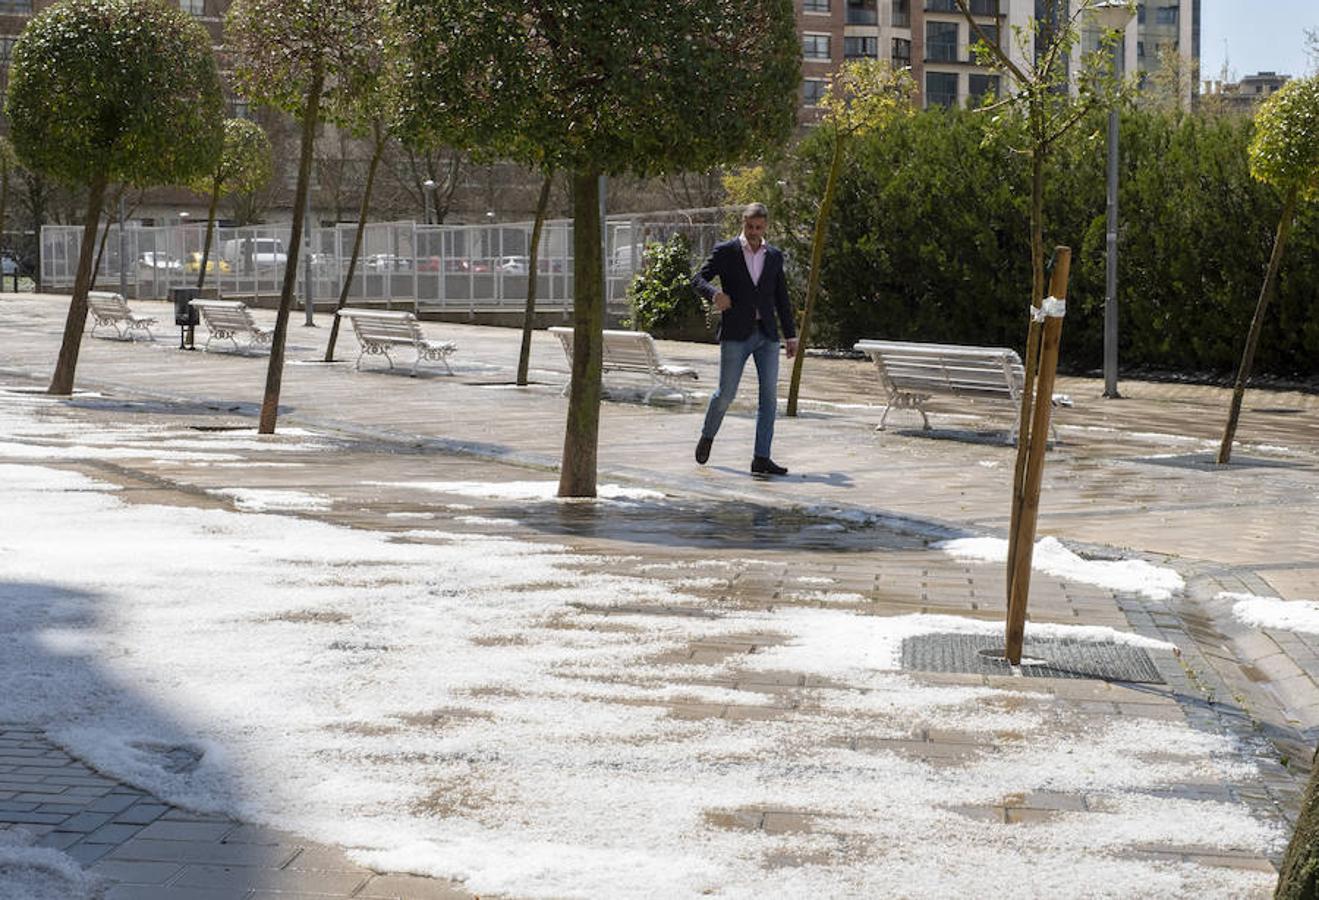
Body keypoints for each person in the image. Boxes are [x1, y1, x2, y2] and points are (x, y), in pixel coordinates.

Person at [691, 203, 798, 476]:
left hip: (767, 336)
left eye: (758, 228)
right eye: (749, 227)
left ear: (765, 227)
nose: (753, 232)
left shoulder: (773, 255)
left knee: (769, 399)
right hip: (736, 334)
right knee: (726, 394)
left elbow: (781, 298)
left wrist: (790, 335)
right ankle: (707, 435)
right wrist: (714, 294)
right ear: (743, 224)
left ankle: (761, 458)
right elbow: (698, 278)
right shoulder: (726, 251)